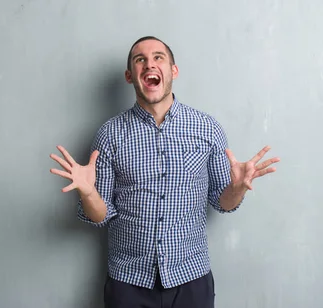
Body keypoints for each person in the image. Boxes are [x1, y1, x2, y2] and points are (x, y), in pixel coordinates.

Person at [49, 36, 280, 308]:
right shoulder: (109, 135)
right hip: (128, 281)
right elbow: (101, 215)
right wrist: (88, 193)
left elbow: (223, 202)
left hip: (191, 278)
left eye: (158, 57)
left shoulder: (208, 129)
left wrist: (237, 188)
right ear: (129, 75)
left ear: (173, 70)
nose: (150, 64)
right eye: (140, 59)